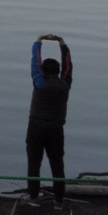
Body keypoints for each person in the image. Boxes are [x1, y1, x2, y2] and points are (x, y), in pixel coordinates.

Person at [25, 33, 73, 204]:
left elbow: (35, 63)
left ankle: (33, 198)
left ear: (44, 72)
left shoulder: (40, 82)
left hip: (36, 127)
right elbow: (68, 65)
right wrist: (62, 43)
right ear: (58, 72)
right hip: (56, 130)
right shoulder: (64, 85)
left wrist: (38, 40)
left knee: (34, 164)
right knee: (57, 165)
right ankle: (59, 201)